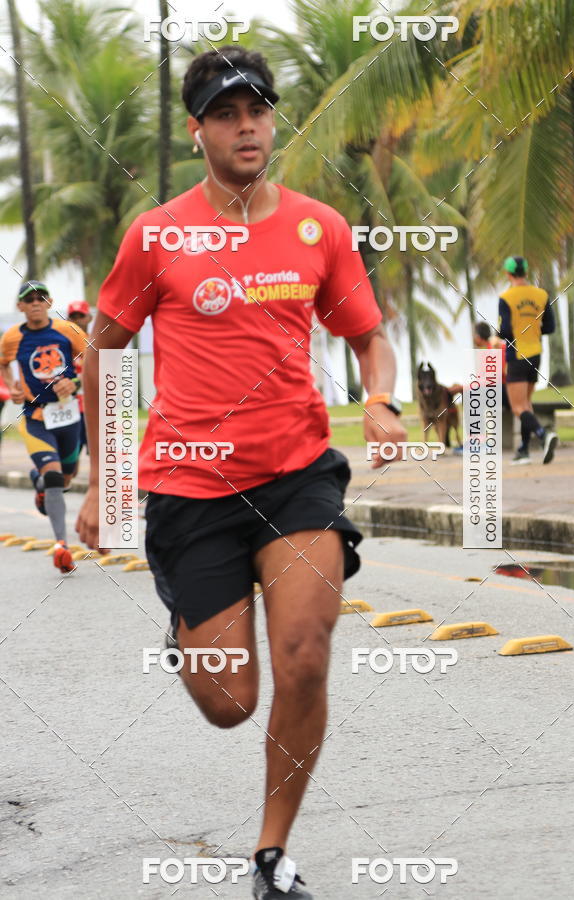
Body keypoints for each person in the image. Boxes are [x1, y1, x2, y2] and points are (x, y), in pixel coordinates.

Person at [76, 45, 406, 899]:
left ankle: (272, 854)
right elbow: (102, 352)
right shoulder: (157, 235)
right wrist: (104, 482)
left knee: (304, 655)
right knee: (230, 703)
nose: (247, 124)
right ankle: (189, 629)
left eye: (257, 108)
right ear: (199, 132)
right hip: (189, 487)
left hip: (297, 476)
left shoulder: (317, 227)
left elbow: (367, 332)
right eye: (226, 112)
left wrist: (379, 400)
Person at [0, 281, 87, 572]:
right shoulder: (12, 337)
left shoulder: (68, 331)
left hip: (68, 416)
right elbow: (3, 363)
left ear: (49, 303)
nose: (35, 303)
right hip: (36, 418)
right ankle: (62, 546)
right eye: (29, 299)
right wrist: (12, 386)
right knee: (54, 477)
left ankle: (39, 482)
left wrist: (73, 382)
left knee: (66, 477)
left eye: (41, 298)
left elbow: (93, 360)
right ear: (20, 306)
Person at [498, 256, 557, 465]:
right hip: (536, 353)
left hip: (517, 355)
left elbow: (505, 330)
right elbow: (550, 327)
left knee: (518, 407)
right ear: (525, 272)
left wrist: (497, 336)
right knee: (526, 405)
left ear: (508, 273)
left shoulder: (506, 297)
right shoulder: (541, 295)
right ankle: (523, 450)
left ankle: (543, 435)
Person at [67, 300, 92, 456]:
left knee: (100, 458)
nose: (77, 320)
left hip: (92, 408)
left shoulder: (96, 343)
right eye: (73, 317)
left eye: (81, 316)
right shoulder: (63, 345)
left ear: (88, 317)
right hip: (71, 408)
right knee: (71, 463)